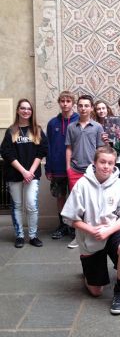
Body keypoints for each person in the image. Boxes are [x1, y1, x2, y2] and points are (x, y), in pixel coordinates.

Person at [61, 146, 120, 315]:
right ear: (94, 163)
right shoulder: (82, 185)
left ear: (115, 164)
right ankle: (89, 272)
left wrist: (108, 230)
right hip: (90, 234)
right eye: (102, 162)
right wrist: (91, 230)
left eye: (110, 163)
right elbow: (69, 217)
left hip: (112, 230)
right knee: (96, 291)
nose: (106, 166)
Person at [1, 99, 48, 248]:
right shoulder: (11, 130)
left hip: (32, 175)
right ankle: (20, 235)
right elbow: (6, 152)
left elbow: (42, 150)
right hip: (15, 174)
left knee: (31, 205)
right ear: (18, 110)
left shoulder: (37, 130)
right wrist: (23, 171)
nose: (26, 111)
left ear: (31, 112)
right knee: (17, 205)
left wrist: (30, 172)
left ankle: (33, 236)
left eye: (28, 109)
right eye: (23, 108)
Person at [65, 94, 104, 248]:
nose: (83, 108)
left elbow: (100, 149)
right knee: (77, 205)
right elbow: (68, 147)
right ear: (77, 107)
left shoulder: (97, 127)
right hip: (74, 169)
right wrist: (68, 167)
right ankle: (77, 236)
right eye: (80, 105)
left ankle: (93, 234)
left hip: (91, 171)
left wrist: (98, 168)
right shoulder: (71, 127)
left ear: (91, 108)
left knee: (91, 204)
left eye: (86, 105)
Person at [46, 91, 79, 240]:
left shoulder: (79, 120)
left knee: (76, 198)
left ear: (73, 103)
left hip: (76, 167)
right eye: (62, 101)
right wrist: (48, 167)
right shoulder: (53, 123)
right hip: (57, 167)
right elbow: (49, 146)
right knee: (60, 197)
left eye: (68, 101)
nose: (65, 104)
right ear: (59, 103)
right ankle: (63, 225)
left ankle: (75, 226)